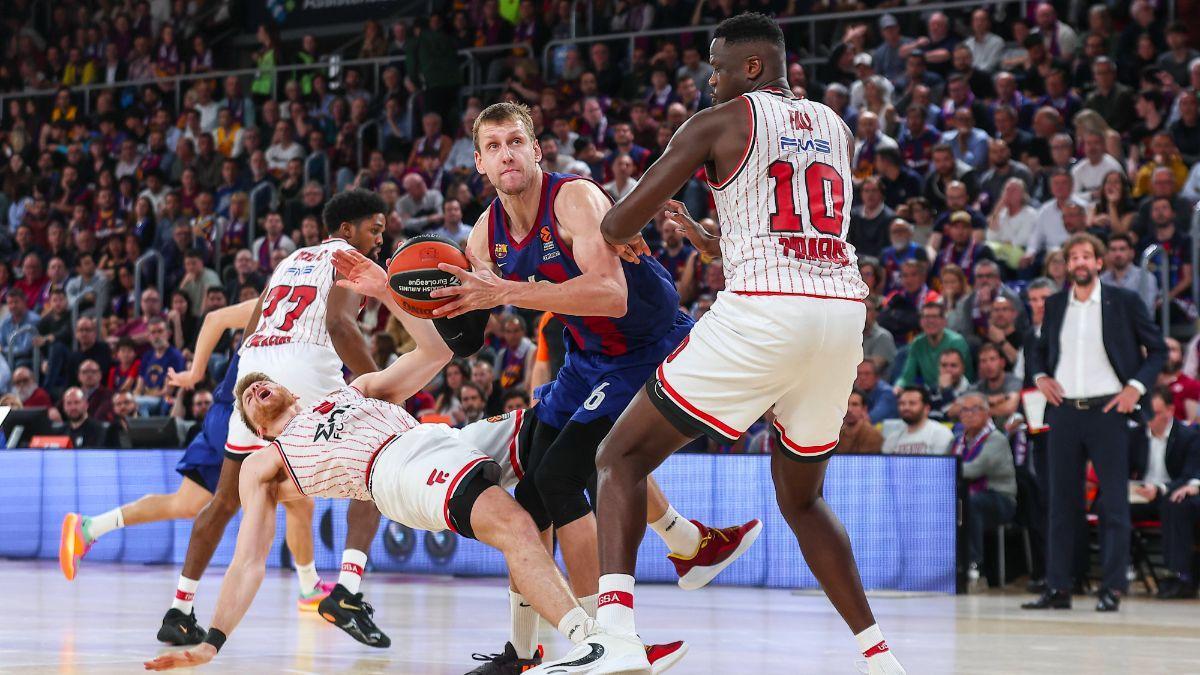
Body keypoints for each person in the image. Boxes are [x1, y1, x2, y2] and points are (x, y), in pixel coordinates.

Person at [575, 14, 903, 674]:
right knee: (803, 498)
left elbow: (620, 221)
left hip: (765, 313)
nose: (710, 80)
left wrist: (604, 219)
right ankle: (880, 656)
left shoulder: (719, 123)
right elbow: (800, 221)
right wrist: (717, 241)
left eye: (718, 68)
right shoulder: (836, 128)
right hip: (841, 315)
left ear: (752, 68)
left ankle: (614, 637)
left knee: (619, 455)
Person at [419, 98, 761, 670]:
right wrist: (398, 293)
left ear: (536, 149)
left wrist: (504, 292)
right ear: (478, 163)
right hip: (589, 355)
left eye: (516, 142)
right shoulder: (485, 235)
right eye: (494, 146)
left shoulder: (573, 198)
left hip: (646, 345)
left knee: (560, 476)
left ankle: (608, 640)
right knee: (530, 471)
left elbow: (611, 295)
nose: (507, 154)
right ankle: (524, 650)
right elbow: (466, 331)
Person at [140, 342, 680, 673]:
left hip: (445, 439)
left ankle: (683, 543)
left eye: (262, 383)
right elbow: (248, 562)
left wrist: (390, 292)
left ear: (289, 389)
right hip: (396, 473)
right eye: (247, 395)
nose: (255, 388)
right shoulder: (266, 460)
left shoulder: (357, 390)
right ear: (255, 426)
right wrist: (212, 641)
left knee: (563, 434)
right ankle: (591, 641)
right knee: (515, 525)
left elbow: (434, 354)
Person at [146, 190, 396, 647]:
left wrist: (241, 385)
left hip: (254, 369)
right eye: (374, 229)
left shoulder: (290, 259)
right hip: (306, 366)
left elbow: (254, 323)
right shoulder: (351, 259)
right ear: (347, 231)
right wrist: (381, 385)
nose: (380, 239)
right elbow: (341, 327)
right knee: (378, 458)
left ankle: (179, 609)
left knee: (223, 500)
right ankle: (348, 589)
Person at [59, 302, 320, 607]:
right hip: (243, 417)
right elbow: (215, 318)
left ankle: (89, 527)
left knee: (186, 503)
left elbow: (215, 317)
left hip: (222, 411)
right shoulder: (295, 305)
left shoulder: (280, 299)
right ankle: (307, 587)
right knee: (294, 499)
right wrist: (195, 373)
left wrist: (195, 373)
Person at [1024, 234, 1167, 613]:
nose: (1081, 262)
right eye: (1074, 257)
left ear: (1099, 262)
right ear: (1067, 265)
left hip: (1109, 411)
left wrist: (1135, 388)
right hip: (1065, 411)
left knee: (1114, 504)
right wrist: (1040, 376)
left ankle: (1113, 587)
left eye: (1087, 256)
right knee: (1061, 504)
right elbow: (1036, 347)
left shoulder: (1123, 301)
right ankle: (1059, 588)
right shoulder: (1054, 305)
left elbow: (1158, 350)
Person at [1133, 388, 1200, 599]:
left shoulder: (1187, 436)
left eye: (1154, 413)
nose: (1148, 418)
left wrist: (1161, 489)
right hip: (1143, 495)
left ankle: (1180, 575)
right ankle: (1118, 572)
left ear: (1170, 410)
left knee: (1176, 504)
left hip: (1172, 493)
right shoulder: (1135, 436)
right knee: (1110, 506)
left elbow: (1189, 474)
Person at [953, 392, 1017, 585]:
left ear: (987, 413)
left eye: (975, 409)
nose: (969, 414)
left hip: (999, 498)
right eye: (964, 410)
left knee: (969, 504)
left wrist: (943, 470)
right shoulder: (958, 440)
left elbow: (974, 469)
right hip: (966, 496)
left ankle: (974, 566)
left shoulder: (995, 439)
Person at [895, 302, 973, 388]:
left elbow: (965, 377)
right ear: (921, 322)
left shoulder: (956, 342)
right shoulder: (917, 343)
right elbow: (907, 377)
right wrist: (898, 387)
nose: (930, 321)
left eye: (935, 317)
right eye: (926, 317)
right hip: (931, 392)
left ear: (944, 321)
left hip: (957, 391)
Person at [882, 387, 954, 455]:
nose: (906, 407)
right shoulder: (892, 438)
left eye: (912, 403)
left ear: (926, 409)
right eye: (902, 403)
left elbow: (939, 465)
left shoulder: (940, 433)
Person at [1100, 232, 1159, 314]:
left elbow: (1146, 310)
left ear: (1132, 253)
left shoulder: (1146, 278)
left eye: (1122, 249)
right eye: (1113, 249)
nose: (1118, 254)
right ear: (1108, 254)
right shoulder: (1102, 280)